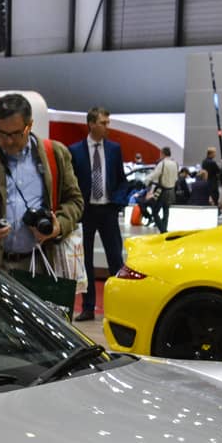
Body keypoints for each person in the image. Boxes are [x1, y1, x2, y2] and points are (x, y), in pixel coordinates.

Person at [0, 92, 83, 275]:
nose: (8, 141)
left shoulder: (56, 154)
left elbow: (74, 201)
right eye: (1, 133)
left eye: (15, 134)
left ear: (29, 126)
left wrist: (58, 225)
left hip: (41, 264)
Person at [68, 107, 126, 319]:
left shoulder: (114, 149)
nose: (107, 126)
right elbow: (71, 182)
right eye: (103, 122)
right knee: (85, 261)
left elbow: (121, 180)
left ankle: (119, 307)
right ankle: (88, 307)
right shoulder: (74, 151)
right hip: (86, 212)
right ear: (91, 124)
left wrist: (118, 202)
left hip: (108, 210)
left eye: (108, 122)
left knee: (115, 260)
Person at [149, 146, 179, 234]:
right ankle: (164, 230)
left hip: (162, 191)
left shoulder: (162, 163)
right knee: (166, 210)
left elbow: (155, 175)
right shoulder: (175, 163)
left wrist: (146, 181)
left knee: (155, 212)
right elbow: (176, 178)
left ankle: (163, 230)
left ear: (162, 153)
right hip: (171, 190)